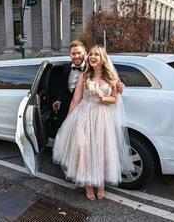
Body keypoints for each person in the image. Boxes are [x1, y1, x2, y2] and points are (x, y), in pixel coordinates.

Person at [52, 45, 134, 200]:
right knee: (84, 149)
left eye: (96, 54)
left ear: (103, 58)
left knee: (101, 149)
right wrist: (69, 120)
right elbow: (76, 99)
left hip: (102, 117)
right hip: (83, 115)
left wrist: (102, 97)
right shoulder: (85, 76)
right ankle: (88, 185)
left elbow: (115, 99)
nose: (92, 57)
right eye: (90, 54)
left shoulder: (112, 78)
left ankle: (101, 184)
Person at [52, 40, 124, 130]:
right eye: (73, 53)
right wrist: (59, 100)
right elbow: (64, 86)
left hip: (100, 115)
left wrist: (119, 87)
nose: (76, 56)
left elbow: (114, 93)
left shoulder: (93, 69)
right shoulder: (69, 69)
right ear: (69, 54)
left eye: (79, 53)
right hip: (74, 109)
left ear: (85, 53)